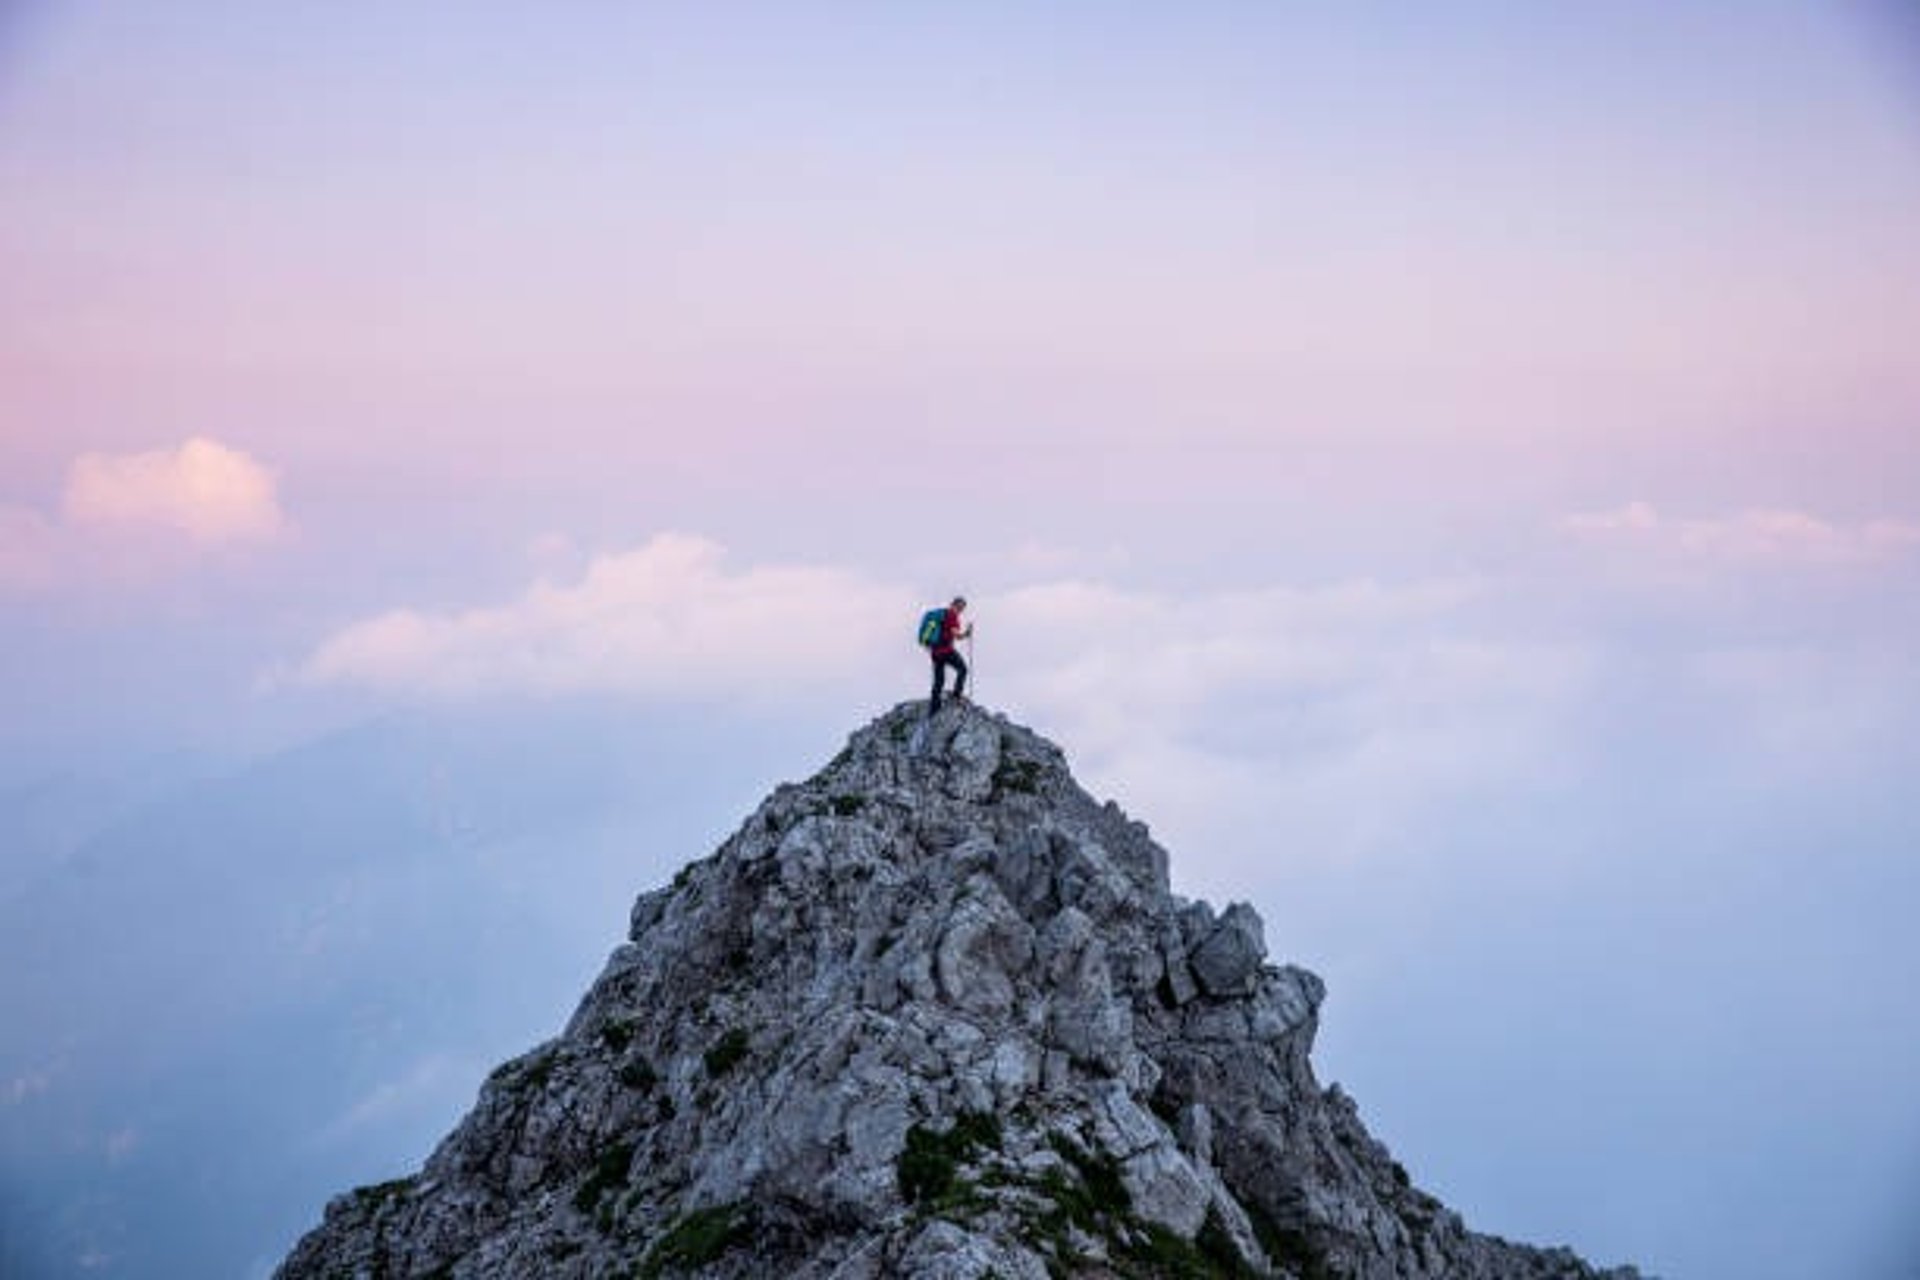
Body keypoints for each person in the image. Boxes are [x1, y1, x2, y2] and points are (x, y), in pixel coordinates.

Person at [927, 596, 972, 714]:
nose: (962, 610)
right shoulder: (953, 616)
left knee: (939, 680)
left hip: (935, 652)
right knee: (963, 669)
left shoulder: (943, 614)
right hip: (946, 651)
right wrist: (967, 633)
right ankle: (956, 696)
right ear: (956, 605)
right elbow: (957, 635)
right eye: (961, 607)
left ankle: (934, 709)